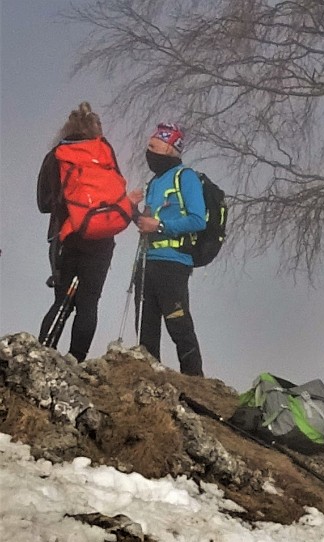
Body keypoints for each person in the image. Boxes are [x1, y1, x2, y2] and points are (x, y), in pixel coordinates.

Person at [36, 102, 130, 360]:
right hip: (102, 235)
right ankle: (77, 359)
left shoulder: (57, 155)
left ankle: (42, 355)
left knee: (62, 301)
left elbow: (44, 203)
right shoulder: (104, 150)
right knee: (88, 303)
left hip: (68, 236)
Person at [131, 121, 205, 376]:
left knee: (179, 325)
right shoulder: (154, 182)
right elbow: (145, 223)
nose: (148, 151)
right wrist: (131, 208)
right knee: (146, 328)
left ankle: (196, 382)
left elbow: (198, 220)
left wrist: (159, 226)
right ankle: (151, 381)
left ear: (169, 148)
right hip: (147, 262)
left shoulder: (186, 177)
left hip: (173, 263)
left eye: (154, 145)